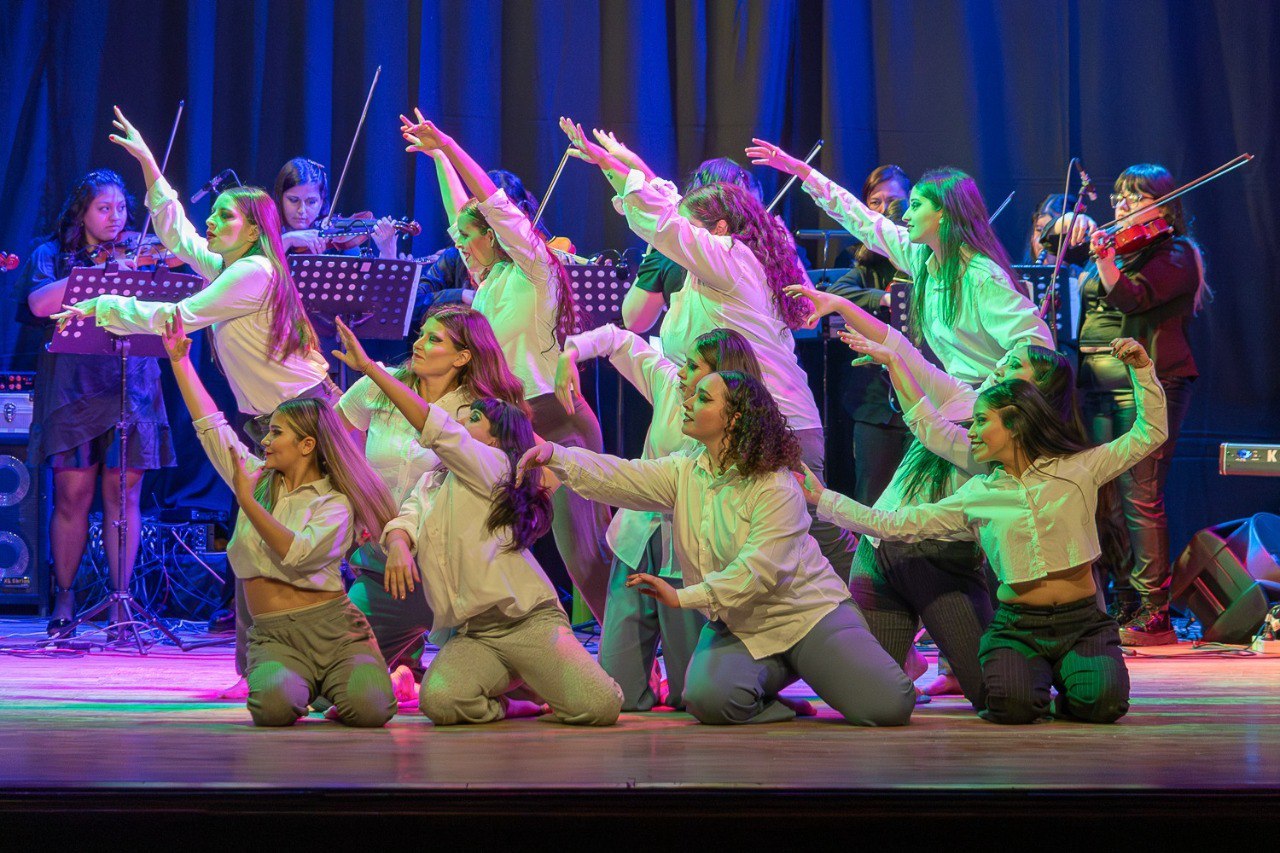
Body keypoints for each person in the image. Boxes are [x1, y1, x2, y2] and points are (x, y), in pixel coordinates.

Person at [518, 371, 916, 726]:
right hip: (741, 625)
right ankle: (773, 701)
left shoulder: (774, 484)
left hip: (807, 615)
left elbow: (758, 571)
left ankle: (828, 662)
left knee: (888, 706)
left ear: (736, 418)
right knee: (707, 701)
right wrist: (557, 456)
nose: (687, 403)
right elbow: (622, 476)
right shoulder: (684, 471)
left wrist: (685, 596)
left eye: (704, 399)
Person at [806, 338, 1167, 724]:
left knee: (1102, 704)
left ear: (1019, 416)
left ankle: (1072, 678)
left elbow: (1149, 434)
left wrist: (1142, 370)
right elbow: (897, 520)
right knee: (1009, 706)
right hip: (1017, 622)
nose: (971, 430)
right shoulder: (979, 493)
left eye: (981, 421)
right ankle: (1037, 677)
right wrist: (822, 499)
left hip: (1076, 621)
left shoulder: (1079, 468)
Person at [560, 120, 856, 580]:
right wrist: (616, 165)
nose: (684, 233)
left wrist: (612, 167)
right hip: (750, 426)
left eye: (694, 226)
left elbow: (664, 221)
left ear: (718, 228)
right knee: (767, 555)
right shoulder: (706, 277)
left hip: (783, 423)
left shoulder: (731, 261)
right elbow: (665, 209)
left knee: (818, 542)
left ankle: (882, 620)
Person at [332, 319, 622, 726]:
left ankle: (535, 679)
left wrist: (514, 504)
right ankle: (506, 697)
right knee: (432, 701)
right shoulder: (436, 480)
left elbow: (444, 434)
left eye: (470, 421)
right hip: (457, 617)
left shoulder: (488, 456)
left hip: (515, 615)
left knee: (597, 705)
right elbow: (410, 514)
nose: (460, 424)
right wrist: (393, 538)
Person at [400, 110, 613, 623]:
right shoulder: (489, 280)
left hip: (558, 423)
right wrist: (438, 159)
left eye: (475, 235)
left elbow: (491, 207)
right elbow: (462, 214)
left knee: (584, 555)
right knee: (491, 544)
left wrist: (450, 143)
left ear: (497, 233)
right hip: (510, 428)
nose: (464, 244)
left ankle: (635, 657)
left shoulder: (537, 272)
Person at [162, 319, 397, 727]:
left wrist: (247, 501)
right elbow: (211, 427)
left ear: (307, 445)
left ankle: (341, 684)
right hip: (273, 635)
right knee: (272, 709)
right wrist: (181, 363)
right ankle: (313, 689)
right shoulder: (254, 475)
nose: (265, 441)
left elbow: (297, 555)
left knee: (371, 710)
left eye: (276, 433)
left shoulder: (334, 502)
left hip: (334, 631)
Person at [555, 326, 762, 710]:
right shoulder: (669, 386)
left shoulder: (743, 425)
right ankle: (649, 682)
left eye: (694, 366)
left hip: (688, 560)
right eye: (684, 364)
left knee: (693, 698)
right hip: (636, 544)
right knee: (620, 695)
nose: (682, 372)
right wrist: (571, 354)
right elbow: (620, 340)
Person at [747, 140, 1052, 386]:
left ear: (944, 213)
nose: (904, 216)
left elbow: (1037, 344)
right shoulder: (921, 256)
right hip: (960, 401)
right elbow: (863, 221)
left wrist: (993, 391)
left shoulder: (982, 276)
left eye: (915, 206)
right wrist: (802, 171)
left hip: (990, 406)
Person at [21, 168, 177, 637]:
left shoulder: (137, 251)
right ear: (82, 213)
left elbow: (182, 273)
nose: (115, 219)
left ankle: (120, 602)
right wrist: (99, 277)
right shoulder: (52, 255)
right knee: (72, 495)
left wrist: (139, 268)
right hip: (74, 388)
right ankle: (65, 597)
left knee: (124, 495)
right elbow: (38, 305)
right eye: (103, 209)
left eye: (121, 209)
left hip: (132, 385)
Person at [337, 305, 527, 689]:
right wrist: (358, 508)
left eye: (433, 339)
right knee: (334, 681)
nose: (419, 344)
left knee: (488, 691)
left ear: (463, 357)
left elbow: (535, 463)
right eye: (421, 334)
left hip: (456, 569)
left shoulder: (481, 415)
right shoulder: (379, 387)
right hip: (385, 563)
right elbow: (332, 447)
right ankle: (400, 670)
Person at [1080, 164, 1209, 644]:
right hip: (1112, 385)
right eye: (1118, 197)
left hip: (1158, 381)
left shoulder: (1176, 252)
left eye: (1135, 197)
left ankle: (1156, 610)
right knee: (1109, 498)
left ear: (1165, 205)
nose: (1122, 205)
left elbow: (1131, 299)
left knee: (1141, 493)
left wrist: (1107, 259)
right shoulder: (1128, 251)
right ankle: (1127, 598)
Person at [822, 164, 914, 506]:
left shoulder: (922, 253)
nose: (884, 210)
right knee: (873, 499)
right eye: (875, 202)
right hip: (875, 402)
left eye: (894, 201)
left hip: (925, 397)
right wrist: (885, 298)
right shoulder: (859, 258)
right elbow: (838, 292)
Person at [622, 156, 765, 334]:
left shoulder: (672, 250)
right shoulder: (768, 249)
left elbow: (634, 320)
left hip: (703, 358)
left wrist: (653, 249)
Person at [273, 156, 400, 259]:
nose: (302, 210)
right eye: (294, 200)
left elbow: (369, 286)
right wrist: (288, 240)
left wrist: (388, 253)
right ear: (280, 197)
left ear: (322, 201)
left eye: (311, 202)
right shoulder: (264, 230)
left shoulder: (336, 242)